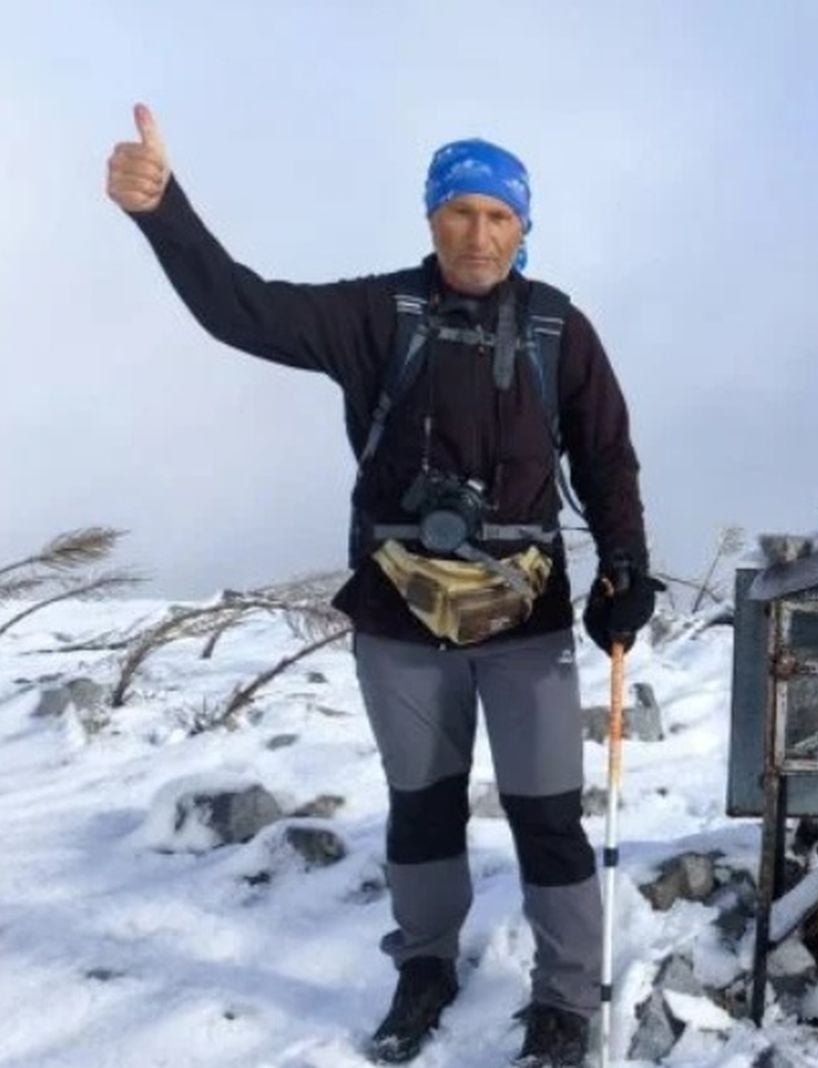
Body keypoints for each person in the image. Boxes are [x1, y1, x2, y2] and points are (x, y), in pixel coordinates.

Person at [107, 103, 661, 1068]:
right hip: (399, 613)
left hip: (526, 618)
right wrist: (164, 212)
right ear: (431, 218)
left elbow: (607, 457)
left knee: (547, 814)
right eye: (460, 212)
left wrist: (626, 567)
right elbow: (241, 308)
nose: (478, 234)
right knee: (423, 803)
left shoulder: (556, 329)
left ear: (524, 227)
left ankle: (565, 999)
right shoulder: (378, 315)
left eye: (498, 216)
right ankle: (425, 967)